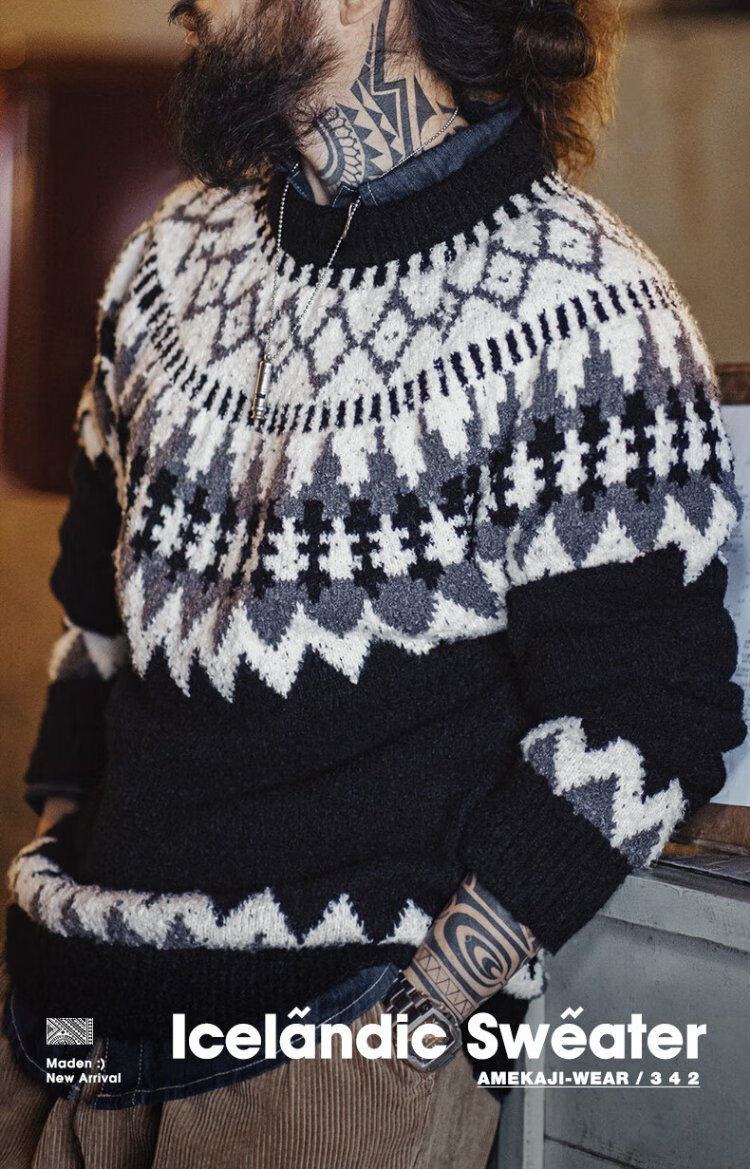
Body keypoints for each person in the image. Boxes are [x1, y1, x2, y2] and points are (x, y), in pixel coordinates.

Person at [0, 0, 746, 1165]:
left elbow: (649, 715)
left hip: (318, 1072)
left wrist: (414, 1021)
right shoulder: (163, 263)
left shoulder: (588, 312)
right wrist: (60, 841)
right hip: (64, 1024)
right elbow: (96, 617)